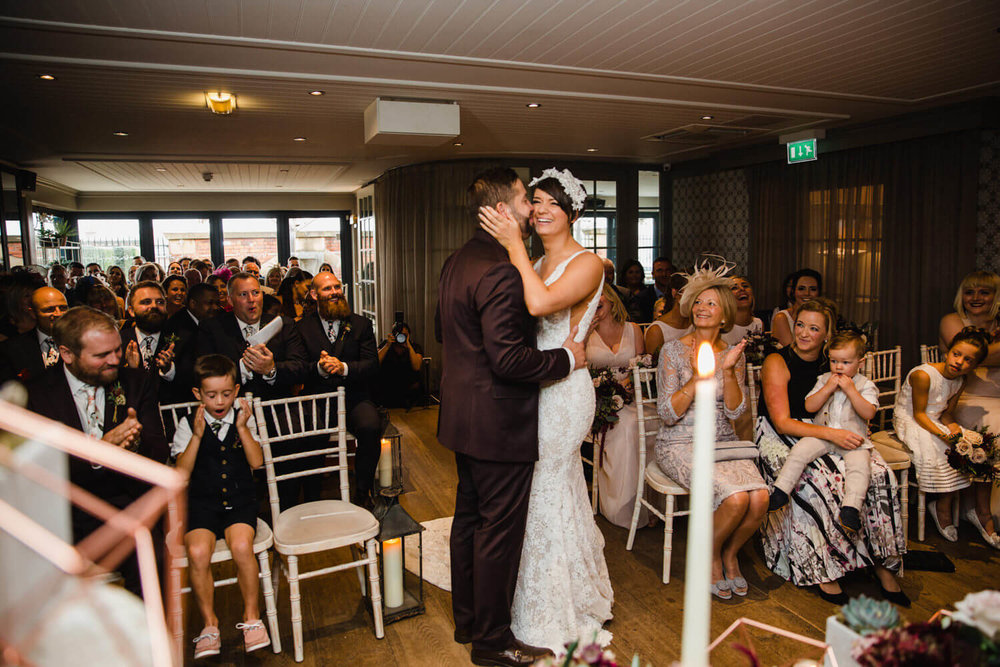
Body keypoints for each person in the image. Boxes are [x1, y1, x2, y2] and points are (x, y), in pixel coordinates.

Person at [437, 167, 585, 666]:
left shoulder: (458, 260)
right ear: (503, 209)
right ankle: (493, 641)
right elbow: (510, 360)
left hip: (463, 416)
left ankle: (467, 621)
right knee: (498, 532)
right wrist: (566, 359)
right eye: (526, 199)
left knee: (469, 522)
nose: (533, 208)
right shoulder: (502, 267)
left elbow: (447, 333)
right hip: (499, 422)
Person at [479, 166, 611, 653]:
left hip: (566, 393)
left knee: (545, 487)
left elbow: (538, 306)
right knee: (549, 490)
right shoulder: (533, 258)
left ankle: (546, 608)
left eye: (552, 203)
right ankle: (548, 589)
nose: (540, 210)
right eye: (535, 201)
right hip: (537, 385)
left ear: (572, 211)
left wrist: (512, 245)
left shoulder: (588, 263)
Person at [756, 299, 907, 606]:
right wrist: (832, 434)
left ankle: (880, 562)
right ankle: (824, 567)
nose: (804, 333)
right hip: (783, 431)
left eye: (814, 328)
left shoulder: (837, 361)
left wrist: (847, 434)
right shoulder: (777, 360)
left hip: (834, 430)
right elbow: (783, 422)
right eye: (800, 325)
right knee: (818, 480)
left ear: (827, 335)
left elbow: (860, 408)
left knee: (879, 474)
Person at [25, 306, 168, 597]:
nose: (115, 360)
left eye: (116, 350)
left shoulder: (135, 382)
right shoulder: (35, 394)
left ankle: (151, 639)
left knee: (154, 562)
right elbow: (34, 472)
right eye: (102, 355)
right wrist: (100, 450)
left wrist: (134, 443)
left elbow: (159, 449)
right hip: (61, 513)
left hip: (124, 505)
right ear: (67, 354)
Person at [653, 263, 766, 600]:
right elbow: (667, 413)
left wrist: (728, 371)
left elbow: (734, 411)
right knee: (734, 499)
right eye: (698, 302)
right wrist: (697, 379)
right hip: (679, 442)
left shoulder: (732, 354)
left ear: (724, 315)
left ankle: (730, 554)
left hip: (723, 441)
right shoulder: (672, 351)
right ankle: (710, 557)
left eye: (711, 304)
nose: (702, 308)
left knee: (759, 499)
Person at [172, 354, 270, 658]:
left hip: (240, 503)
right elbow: (181, 474)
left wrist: (243, 427)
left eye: (226, 394)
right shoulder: (188, 425)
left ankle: (252, 618)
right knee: (198, 552)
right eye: (211, 395)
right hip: (201, 506)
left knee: (242, 547)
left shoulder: (242, 419)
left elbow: (257, 462)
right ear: (197, 395)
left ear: (236, 391)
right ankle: (210, 624)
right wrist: (199, 435)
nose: (220, 401)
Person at [768, 331, 878, 534]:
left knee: (860, 467)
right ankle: (781, 490)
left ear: (860, 363)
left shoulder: (865, 385)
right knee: (800, 450)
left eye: (846, 362)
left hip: (854, 439)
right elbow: (810, 406)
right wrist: (827, 388)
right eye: (834, 361)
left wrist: (852, 391)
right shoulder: (824, 379)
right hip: (824, 434)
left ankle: (851, 508)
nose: (838, 367)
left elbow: (869, 412)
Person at [894, 327, 995, 546]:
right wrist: (945, 436)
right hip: (911, 419)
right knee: (943, 453)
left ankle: (955, 506)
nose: (959, 362)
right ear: (948, 352)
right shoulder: (923, 374)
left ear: (975, 365)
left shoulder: (960, 380)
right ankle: (941, 507)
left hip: (935, 420)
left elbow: (947, 414)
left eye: (968, 360)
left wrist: (957, 431)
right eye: (956, 354)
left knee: (973, 443)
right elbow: (919, 414)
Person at [296, 271, 380, 507]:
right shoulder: (301, 328)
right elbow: (299, 367)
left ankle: (363, 494)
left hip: (354, 396)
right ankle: (311, 499)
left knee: (371, 426)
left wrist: (342, 367)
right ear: (314, 294)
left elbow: (372, 365)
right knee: (309, 437)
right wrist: (320, 368)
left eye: (336, 287)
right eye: (327, 289)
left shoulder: (361, 324)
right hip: (317, 399)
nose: (334, 292)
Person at [939, 272, 1000, 542]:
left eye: (984, 292)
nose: (976, 298)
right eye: (969, 292)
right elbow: (970, 355)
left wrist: (986, 351)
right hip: (963, 398)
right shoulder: (952, 321)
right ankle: (983, 511)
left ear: (995, 297)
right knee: (994, 428)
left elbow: (981, 353)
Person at [586, 283, 647, 527]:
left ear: (611, 299)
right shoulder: (584, 333)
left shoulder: (633, 330)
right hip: (598, 402)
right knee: (628, 426)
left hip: (633, 399)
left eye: (597, 299)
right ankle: (623, 506)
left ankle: (648, 502)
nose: (592, 304)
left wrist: (632, 381)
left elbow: (642, 366)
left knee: (651, 425)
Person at [195, 273, 307, 405]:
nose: (251, 299)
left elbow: (301, 367)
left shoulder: (283, 325)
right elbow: (204, 373)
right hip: (231, 410)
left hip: (277, 409)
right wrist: (243, 367)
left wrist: (271, 370)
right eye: (243, 294)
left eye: (255, 293)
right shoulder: (211, 328)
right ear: (230, 300)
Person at [121, 281, 183, 403]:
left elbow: (188, 384)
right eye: (146, 302)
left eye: (160, 302)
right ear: (131, 311)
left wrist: (168, 370)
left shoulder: (181, 339)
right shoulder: (119, 341)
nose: (154, 306)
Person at [0, 286, 69, 383]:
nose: (58, 313)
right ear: (33, 313)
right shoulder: (11, 349)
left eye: (63, 308)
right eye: (50, 309)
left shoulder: (82, 342)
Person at [375, 321, 423, 408]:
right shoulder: (386, 345)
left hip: (409, 388)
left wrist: (408, 345)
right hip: (388, 388)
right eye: (399, 334)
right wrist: (387, 345)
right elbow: (374, 363)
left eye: (404, 334)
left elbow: (417, 367)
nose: (402, 337)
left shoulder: (414, 347)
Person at [644, 273, 691, 361]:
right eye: (690, 293)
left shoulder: (697, 325)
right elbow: (655, 368)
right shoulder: (657, 330)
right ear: (675, 293)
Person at [772, 268, 821, 347]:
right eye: (801, 289)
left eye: (813, 289)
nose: (807, 293)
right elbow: (792, 352)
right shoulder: (782, 317)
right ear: (793, 291)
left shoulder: (821, 317)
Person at [721, 276, 763, 346]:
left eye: (745, 286)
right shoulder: (720, 326)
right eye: (734, 288)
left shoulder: (758, 323)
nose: (742, 289)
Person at [636, 256, 675, 323]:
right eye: (660, 270)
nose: (664, 274)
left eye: (667, 270)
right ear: (653, 274)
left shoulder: (677, 296)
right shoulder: (641, 298)